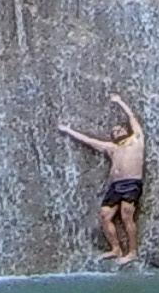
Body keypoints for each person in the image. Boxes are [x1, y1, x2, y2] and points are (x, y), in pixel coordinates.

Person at [58, 95, 145, 262]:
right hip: (115, 186)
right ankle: (116, 249)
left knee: (126, 216)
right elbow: (88, 140)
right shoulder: (111, 147)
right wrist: (68, 131)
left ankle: (132, 252)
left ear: (127, 131)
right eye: (114, 131)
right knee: (105, 215)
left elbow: (132, 117)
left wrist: (120, 102)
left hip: (131, 183)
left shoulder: (137, 140)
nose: (117, 131)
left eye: (120, 129)